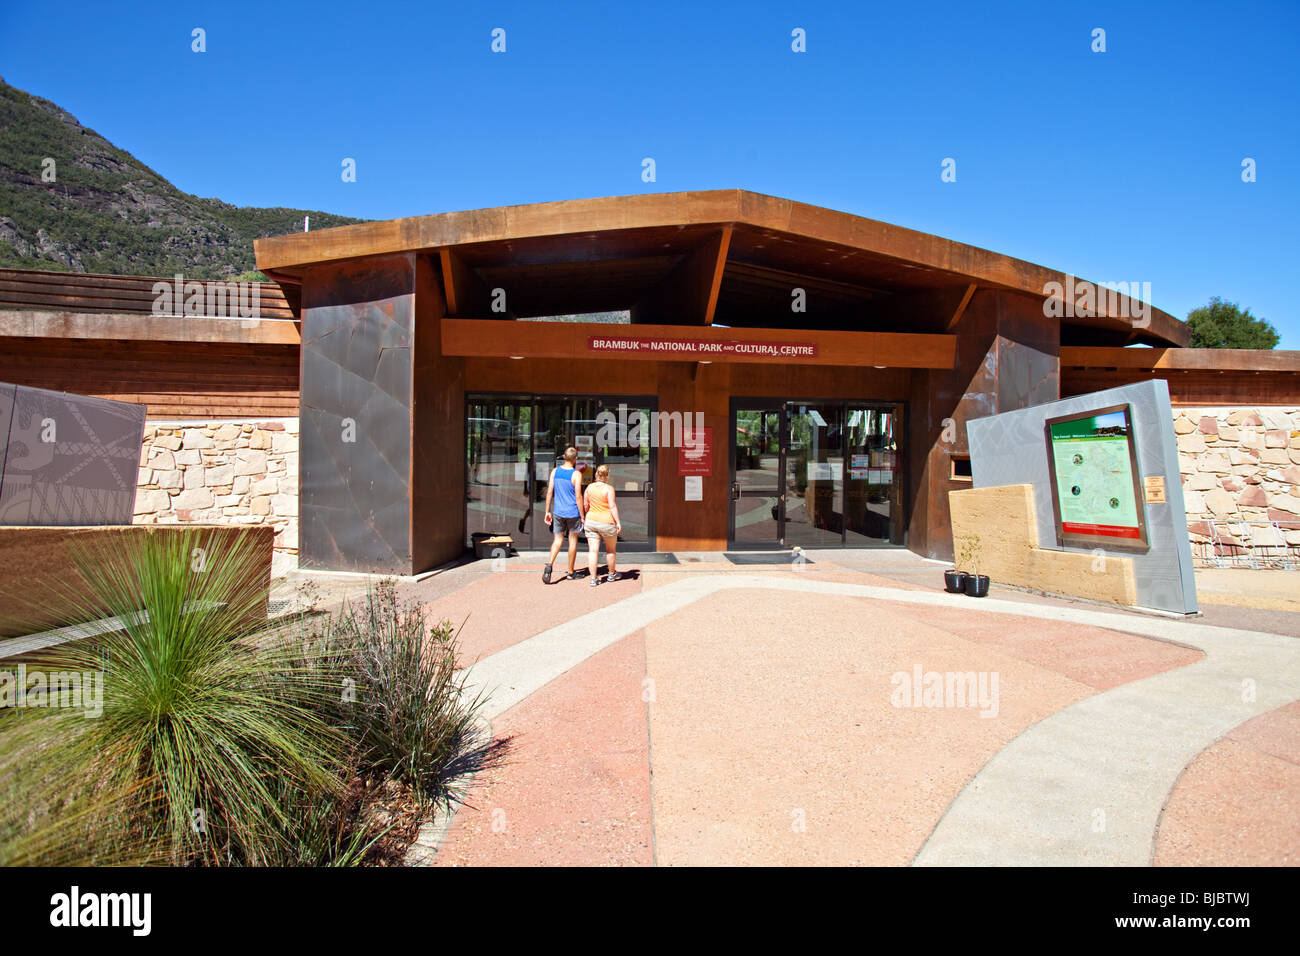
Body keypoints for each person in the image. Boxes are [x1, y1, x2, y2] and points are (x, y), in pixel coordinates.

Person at [542, 446, 585, 584]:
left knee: (557, 541)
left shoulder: (555, 471)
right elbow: (578, 496)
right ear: (576, 459)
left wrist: (547, 511)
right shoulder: (576, 474)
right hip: (573, 512)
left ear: (564, 457)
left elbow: (549, 492)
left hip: (558, 512)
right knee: (573, 541)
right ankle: (571, 572)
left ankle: (549, 565)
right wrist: (583, 515)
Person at [582, 464, 622, 587]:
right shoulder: (609, 489)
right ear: (607, 475)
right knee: (610, 550)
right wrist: (618, 522)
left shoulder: (589, 488)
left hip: (591, 521)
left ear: (596, 474)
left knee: (593, 551)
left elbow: (585, 505)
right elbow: (612, 506)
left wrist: (587, 514)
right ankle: (611, 574)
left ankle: (593, 579)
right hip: (607, 522)